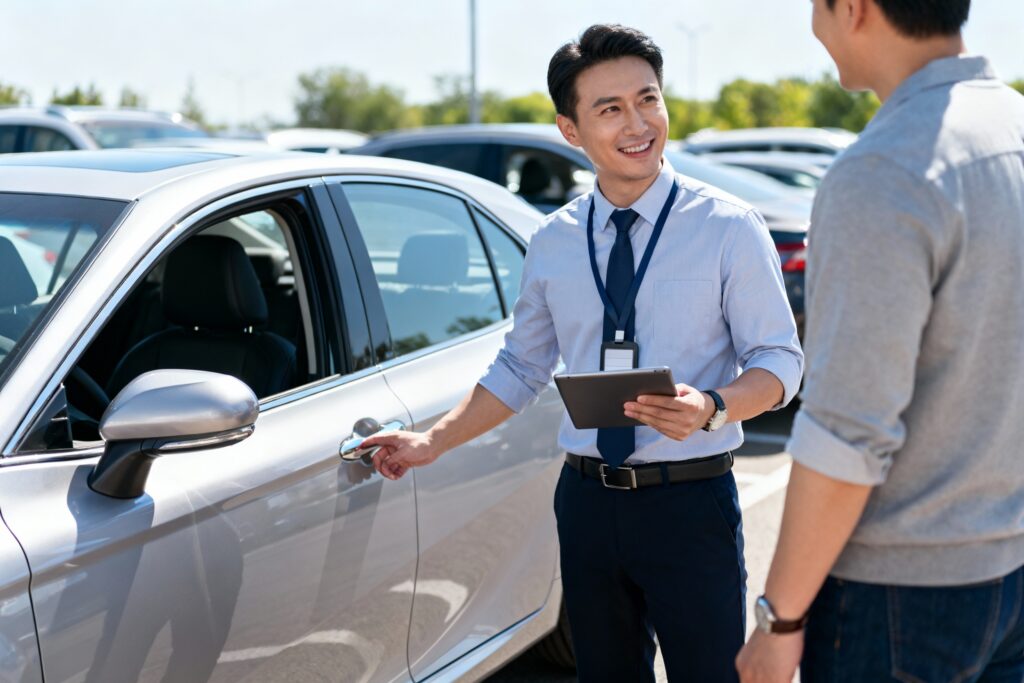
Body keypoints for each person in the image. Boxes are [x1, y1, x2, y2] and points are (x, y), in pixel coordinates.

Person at [365, 24, 803, 682]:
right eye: (610, 108)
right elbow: (519, 368)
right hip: (587, 502)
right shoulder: (553, 242)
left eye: (648, 99)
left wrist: (713, 406)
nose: (638, 123)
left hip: (690, 502)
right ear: (570, 130)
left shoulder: (727, 228)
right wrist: (433, 441)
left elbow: (781, 364)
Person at [736, 1, 1024, 682]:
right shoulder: (1012, 130)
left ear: (856, 9)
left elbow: (847, 434)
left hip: (902, 594)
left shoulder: (884, 170)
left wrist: (778, 621)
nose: (813, 24)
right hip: (1011, 565)